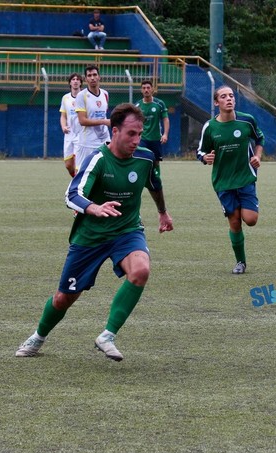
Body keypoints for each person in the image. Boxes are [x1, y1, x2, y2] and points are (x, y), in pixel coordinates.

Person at [15, 103, 174, 361]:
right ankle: (38, 336)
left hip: (127, 230)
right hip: (91, 236)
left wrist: (163, 212)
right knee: (63, 299)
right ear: (115, 131)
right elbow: (71, 194)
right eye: (131, 134)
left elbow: (155, 184)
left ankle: (107, 335)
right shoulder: (98, 159)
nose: (137, 140)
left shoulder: (145, 158)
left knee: (141, 270)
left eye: (140, 134)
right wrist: (94, 208)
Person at [196, 84, 264, 274]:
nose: (229, 99)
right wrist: (204, 158)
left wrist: (257, 156)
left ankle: (246, 205)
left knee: (250, 220)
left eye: (231, 96)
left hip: (245, 177)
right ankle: (240, 262)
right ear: (217, 102)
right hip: (223, 182)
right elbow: (200, 150)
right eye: (224, 96)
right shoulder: (210, 127)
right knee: (234, 222)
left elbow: (259, 138)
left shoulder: (247, 121)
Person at [74, 65, 110, 172]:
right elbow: (82, 121)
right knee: (81, 175)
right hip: (87, 142)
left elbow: (103, 114)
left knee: (106, 173)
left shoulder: (105, 94)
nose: (92, 78)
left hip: (104, 140)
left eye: (95, 75)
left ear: (99, 77)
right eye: (89, 75)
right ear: (85, 79)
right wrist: (104, 122)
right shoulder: (81, 96)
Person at [135, 80, 169, 163]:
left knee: (156, 162)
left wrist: (165, 134)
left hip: (156, 138)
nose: (146, 90)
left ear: (152, 89)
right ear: (141, 90)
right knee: (142, 161)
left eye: (148, 88)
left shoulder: (159, 103)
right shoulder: (137, 105)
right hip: (143, 139)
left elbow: (165, 119)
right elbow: (135, 122)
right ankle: (144, 176)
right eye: (144, 88)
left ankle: (156, 176)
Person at [59, 72, 83, 177]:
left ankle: (78, 185)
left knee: (79, 164)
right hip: (69, 134)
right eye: (73, 79)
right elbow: (63, 116)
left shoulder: (85, 96)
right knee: (69, 165)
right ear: (70, 83)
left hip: (82, 134)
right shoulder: (65, 98)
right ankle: (75, 180)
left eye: (78, 79)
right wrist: (63, 126)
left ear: (81, 83)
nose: (75, 81)